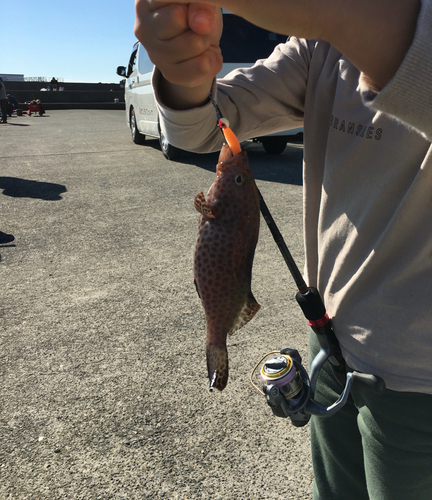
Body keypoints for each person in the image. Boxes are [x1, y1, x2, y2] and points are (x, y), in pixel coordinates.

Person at [134, 1, 432, 499]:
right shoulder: (319, 50)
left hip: (418, 380)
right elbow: (204, 126)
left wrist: (333, 14)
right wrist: (183, 71)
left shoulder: (327, 24)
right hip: (330, 341)